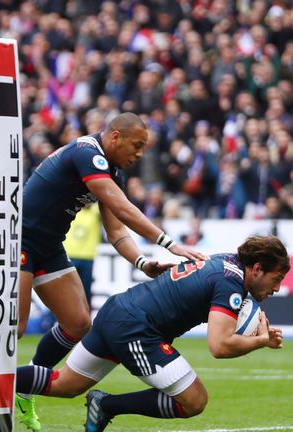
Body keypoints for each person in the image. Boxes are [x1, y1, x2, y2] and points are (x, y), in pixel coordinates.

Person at [16, 112, 206, 431]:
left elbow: (116, 231)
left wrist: (143, 262)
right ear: (115, 137)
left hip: (47, 247)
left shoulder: (111, 172)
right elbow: (121, 207)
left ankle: (26, 386)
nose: (140, 153)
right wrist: (168, 243)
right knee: (16, 327)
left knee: (78, 323)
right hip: (17, 240)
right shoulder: (87, 153)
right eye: (137, 145)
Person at [15, 235, 289, 431]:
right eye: (276, 279)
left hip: (118, 311)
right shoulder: (231, 283)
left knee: (65, 385)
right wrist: (260, 341)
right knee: (194, 401)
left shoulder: (224, 262)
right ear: (256, 269)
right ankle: (107, 405)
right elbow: (219, 346)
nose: (276, 288)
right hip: (138, 329)